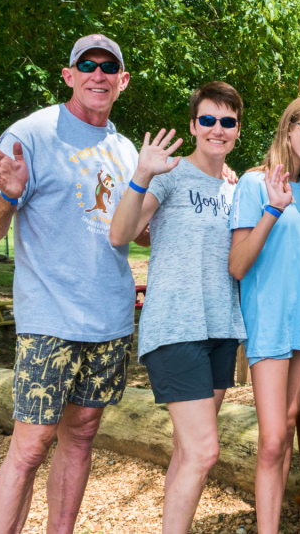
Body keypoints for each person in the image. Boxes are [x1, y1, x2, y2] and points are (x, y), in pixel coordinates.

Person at [0, 34, 139, 534]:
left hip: (109, 317)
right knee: (31, 442)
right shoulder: (30, 134)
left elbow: (133, 227)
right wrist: (8, 197)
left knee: (83, 434)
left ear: (122, 81)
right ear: (68, 75)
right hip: (50, 319)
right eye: (86, 64)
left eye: (109, 67)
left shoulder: (126, 150)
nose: (98, 73)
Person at [108, 81, 246, 534]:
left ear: (238, 131)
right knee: (205, 451)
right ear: (193, 125)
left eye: (227, 121)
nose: (217, 129)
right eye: (207, 119)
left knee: (190, 453)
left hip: (221, 329)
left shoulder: (235, 188)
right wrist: (142, 175)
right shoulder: (168, 175)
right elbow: (120, 233)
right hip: (175, 329)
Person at [228, 95, 300, 534]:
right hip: (268, 323)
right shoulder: (255, 184)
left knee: (289, 427)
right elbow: (237, 264)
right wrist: (273, 210)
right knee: (273, 439)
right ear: (289, 127)